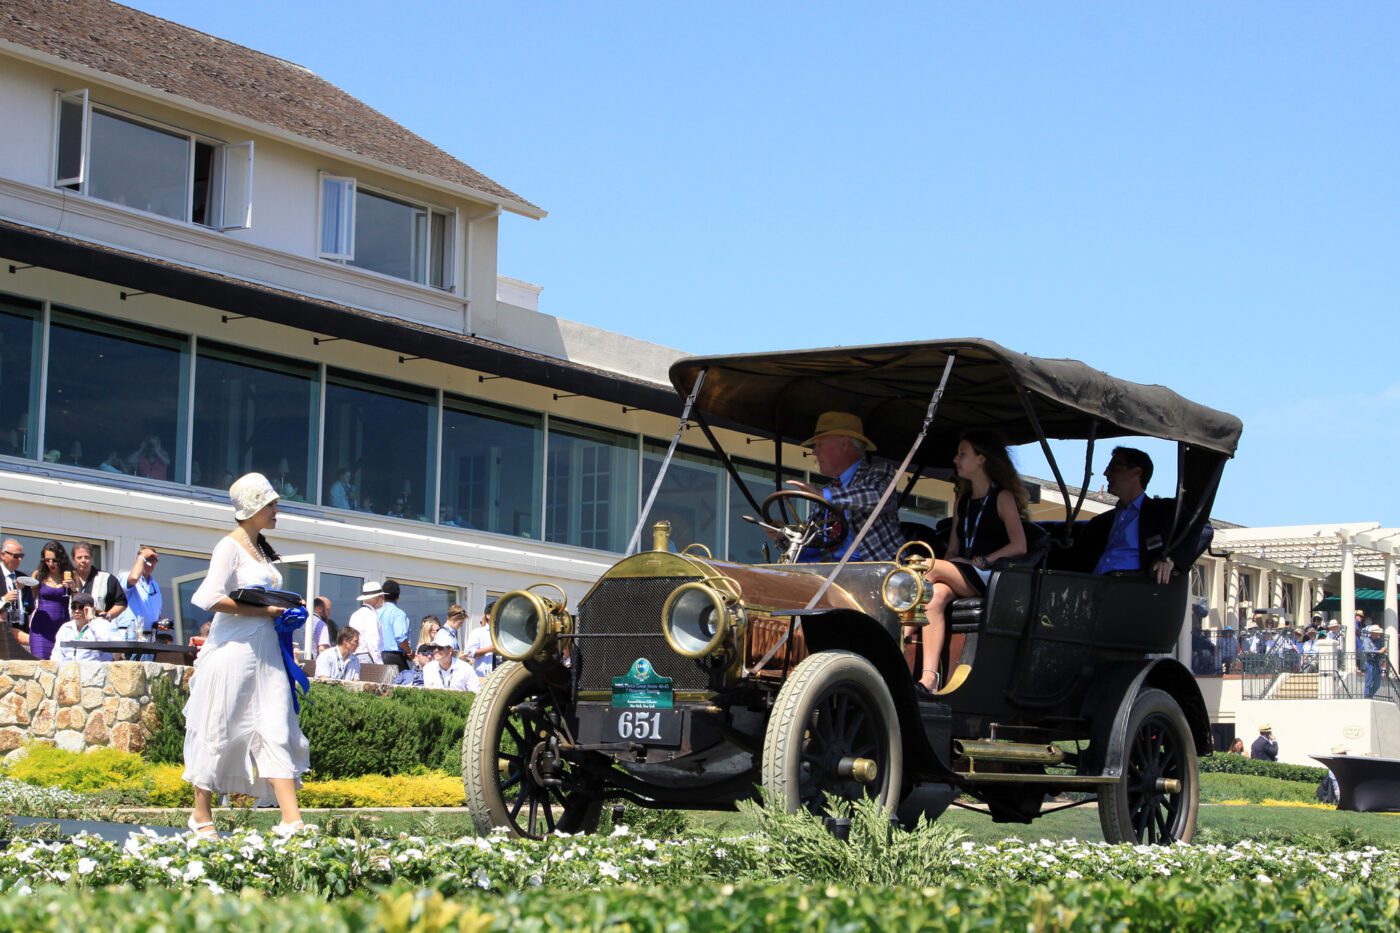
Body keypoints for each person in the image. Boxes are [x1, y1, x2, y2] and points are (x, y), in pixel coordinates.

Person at [183, 472, 310, 838]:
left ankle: (291, 819)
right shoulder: (228, 546)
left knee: (277, 727)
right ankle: (201, 814)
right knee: (218, 727)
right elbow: (207, 597)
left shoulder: (260, 549)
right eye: (271, 504)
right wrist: (264, 611)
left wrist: (285, 611)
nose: (276, 510)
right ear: (253, 508)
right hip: (233, 653)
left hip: (267, 653)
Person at [912, 432, 1029, 696]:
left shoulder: (1003, 497)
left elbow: (1019, 545)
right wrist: (951, 564)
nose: (955, 459)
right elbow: (953, 549)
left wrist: (983, 560)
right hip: (963, 571)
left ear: (981, 459)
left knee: (924, 567)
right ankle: (929, 679)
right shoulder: (963, 501)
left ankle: (903, 630)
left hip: (991, 576)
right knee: (936, 595)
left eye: (962, 454)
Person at [785, 411, 904, 562]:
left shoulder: (879, 472)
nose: (814, 452)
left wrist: (824, 495)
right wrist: (786, 534)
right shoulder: (830, 489)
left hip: (879, 571)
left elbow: (879, 498)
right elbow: (811, 534)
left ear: (844, 444)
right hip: (834, 571)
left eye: (819, 444)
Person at [1062, 448, 1185, 583]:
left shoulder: (1164, 511)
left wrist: (1172, 560)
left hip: (1132, 594)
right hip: (1091, 591)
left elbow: (1202, 528)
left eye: (1113, 468)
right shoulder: (1099, 522)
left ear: (1137, 472)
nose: (1106, 473)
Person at [26, 540, 78, 660]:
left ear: (61, 558)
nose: (50, 563)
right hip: (40, 628)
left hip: (62, 627)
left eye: (54, 560)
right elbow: (30, 600)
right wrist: (23, 588)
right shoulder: (38, 575)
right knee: (40, 664)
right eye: (47, 560)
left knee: (61, 666)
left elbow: (78, 602)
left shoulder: (71, 575)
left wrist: (74, 589)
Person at [71, 541, 128, 623]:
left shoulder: (107, 578)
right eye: (79, 557)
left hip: (97, 630)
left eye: (87, 557)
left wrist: (108, 616)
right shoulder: (67, 579)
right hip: (72, 629)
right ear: (73, 559)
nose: (83, 560)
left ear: (92, 558)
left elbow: (121, 603)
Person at [53, 593, 111, 661]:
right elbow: (56, 653)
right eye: (74, 607)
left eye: (81, 607)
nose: (77, 611)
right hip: (68, 668)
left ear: (92, 609)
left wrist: (91, 620)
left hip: (94, 668)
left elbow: (106, 645)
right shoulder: (65, 627)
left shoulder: (101, 624)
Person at [125, 545, 162, 636]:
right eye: (148, 559)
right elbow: (134, 578)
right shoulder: (126, 576)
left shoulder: (155, 585)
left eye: (154, 560)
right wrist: (142, 557)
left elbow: (152, 611)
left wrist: (160, 622)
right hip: (129, 635)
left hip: (148, 637)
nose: (151, 563)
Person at [377, 580, 411, 673]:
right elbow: (400, 637)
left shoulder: (376, 613)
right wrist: (410, 653)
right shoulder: (398, 614)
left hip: (378, 656)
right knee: (404, 684)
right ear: (398, 596)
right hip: (394, 657)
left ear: (382, 596)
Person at [348, 581, 386, 664]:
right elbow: (372, 642)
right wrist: (379, 663)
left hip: (353, 657)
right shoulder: (371, 615)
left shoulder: (355, 614)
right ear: (376, 598)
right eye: (382, 597)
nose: (383, 599)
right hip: (367, 657)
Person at [1, 538, 32, 632]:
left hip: (21, 630)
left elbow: (30, 607)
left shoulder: (23, 578)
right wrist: (3, 600)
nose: (19, 559)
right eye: (16, 556)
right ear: (3, 555)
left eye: (21, 556)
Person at [461, 601, 496, 681]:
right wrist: (489, 649)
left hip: (504, 676)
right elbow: (468, 653)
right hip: (484, 677)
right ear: (488, 615)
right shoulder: (478, 632)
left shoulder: (505, 634)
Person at [1363, 624, 1386, 698]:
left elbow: (1382, 649)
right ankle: (1367, 697)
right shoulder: (1366, 640)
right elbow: (1367, 650)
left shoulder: (1379, 640)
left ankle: (1370, 695)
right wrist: (1379, 651)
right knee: (1368, 682)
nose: (1378, 634)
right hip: (1369, 663)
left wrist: (1384, 650)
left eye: (1378, 633)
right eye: (1376, 633)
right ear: (1372, 633)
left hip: (1377, 663)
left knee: (1377, 684)